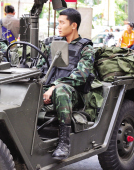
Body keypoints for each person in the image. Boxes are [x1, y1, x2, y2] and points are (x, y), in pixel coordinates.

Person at [38, 8, 95, 160]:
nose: (59, 26)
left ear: (74, 25)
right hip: (48, 90)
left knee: (62, 90)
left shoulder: (86, 48)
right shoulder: (52, 43)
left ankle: (64, 142)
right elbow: (40, 69)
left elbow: (81, 76)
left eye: (62, 23)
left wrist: (53, 87)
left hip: (72, 94)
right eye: (58, 23)